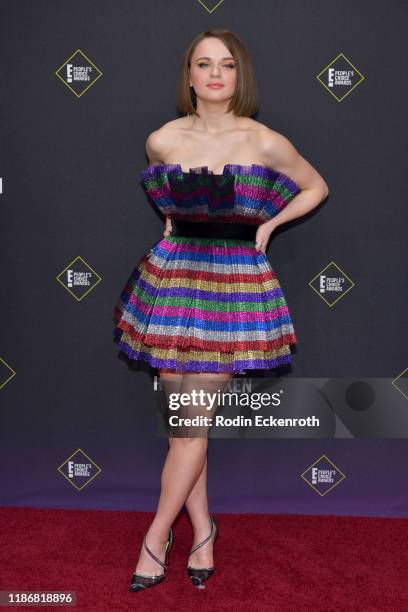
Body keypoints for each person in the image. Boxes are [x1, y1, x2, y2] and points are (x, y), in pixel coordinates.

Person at [113, 28, 329, 592]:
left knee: (190, 426)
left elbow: (315, 187)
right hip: (174, 280)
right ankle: (204, 530)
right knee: (182, 426)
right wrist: (170, 219)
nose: (215, 74)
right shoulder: (162, 139)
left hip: (232, 285)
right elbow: (169, 198)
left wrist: (269, 224)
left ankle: (155, 537)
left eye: (226, 65)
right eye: (203, 64)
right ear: (188, 76)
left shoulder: (263, 142)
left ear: (240, 76)